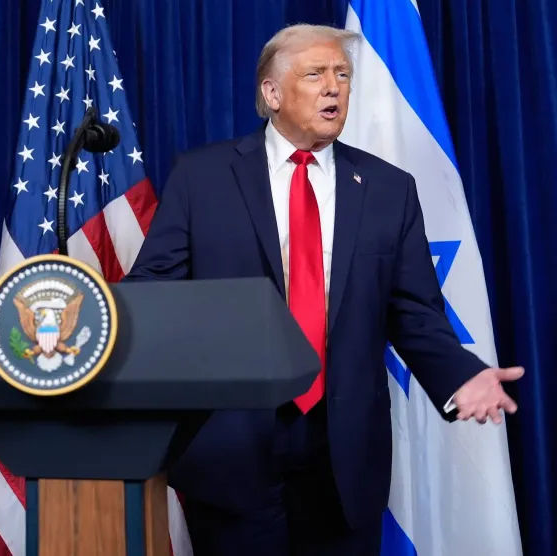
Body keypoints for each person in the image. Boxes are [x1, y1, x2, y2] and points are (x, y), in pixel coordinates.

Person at [125, 24, 524, 555]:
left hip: (343, 452)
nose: (334, 87)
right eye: (315, 74)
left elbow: (414, 312)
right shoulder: (203, 177)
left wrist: (460, 376)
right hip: (232, 444)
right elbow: (155, 288)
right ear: (271, 93)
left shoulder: (388, 189)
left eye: (342, 75)